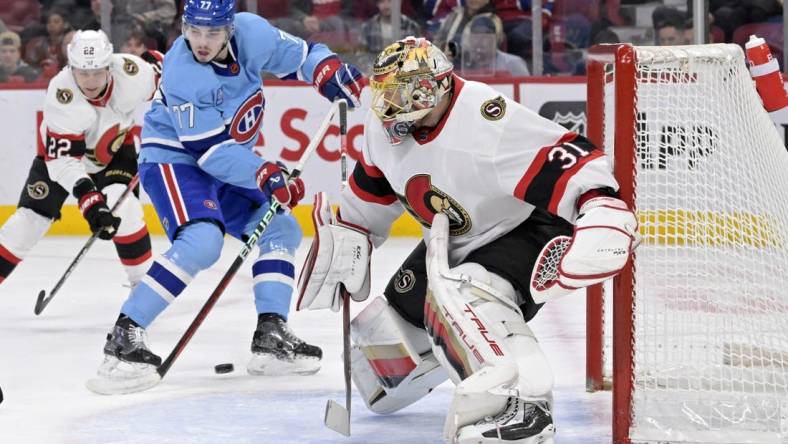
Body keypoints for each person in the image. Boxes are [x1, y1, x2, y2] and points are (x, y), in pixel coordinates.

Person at [298, 37, 637, 443]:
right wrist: (351, 238)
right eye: (385, 92)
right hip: (455, 239)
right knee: (380, 358)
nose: (387, 105)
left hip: (525, 226)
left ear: (430, 86)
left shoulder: (485, 119)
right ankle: (469, 354)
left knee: (471, 295)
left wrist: (600, 206)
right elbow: (371, 195)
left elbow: (573, 159)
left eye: (399, 93)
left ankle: (525, 405)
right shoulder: (384, 125)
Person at [88, 0, 365, 391]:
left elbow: (302, 56)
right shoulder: (183, 70)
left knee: (281, 228)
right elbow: (210, 152)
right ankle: (124, 336)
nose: (201, 41)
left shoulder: (253, 32)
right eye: (194, 31)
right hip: (174, 158)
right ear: (184, 26)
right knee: (203, 241)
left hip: (229, 157)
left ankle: (271, 334)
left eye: (212, 32)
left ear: (230, 29)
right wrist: (266, 173)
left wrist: (326, 69)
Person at [0, 30, 156, 287]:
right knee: (27, 224)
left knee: (124, 207)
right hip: (61, 161)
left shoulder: (132, 73)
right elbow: (65, 161)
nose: (91, 80)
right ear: (71, 67)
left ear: (110, 65)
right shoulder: (61, 94)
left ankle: (144, 289)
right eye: (83, 72)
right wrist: (90, 202)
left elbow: (169, 73)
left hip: (114, 152)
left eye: (97, 71)